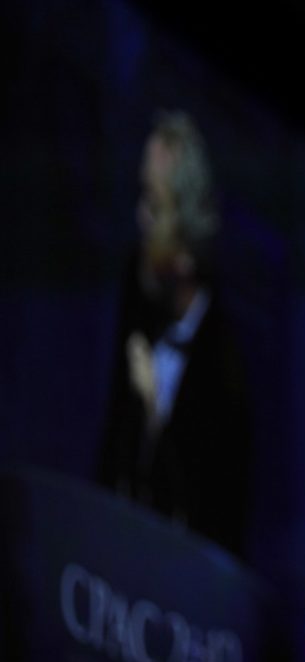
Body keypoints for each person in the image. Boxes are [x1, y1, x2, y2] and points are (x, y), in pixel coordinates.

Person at [96, 109, 253, 559]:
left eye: (154, 205)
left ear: (186, 251)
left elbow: (210, 531)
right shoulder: (137, 289)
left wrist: (154, 415)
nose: (140, 218)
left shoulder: (226, 369)